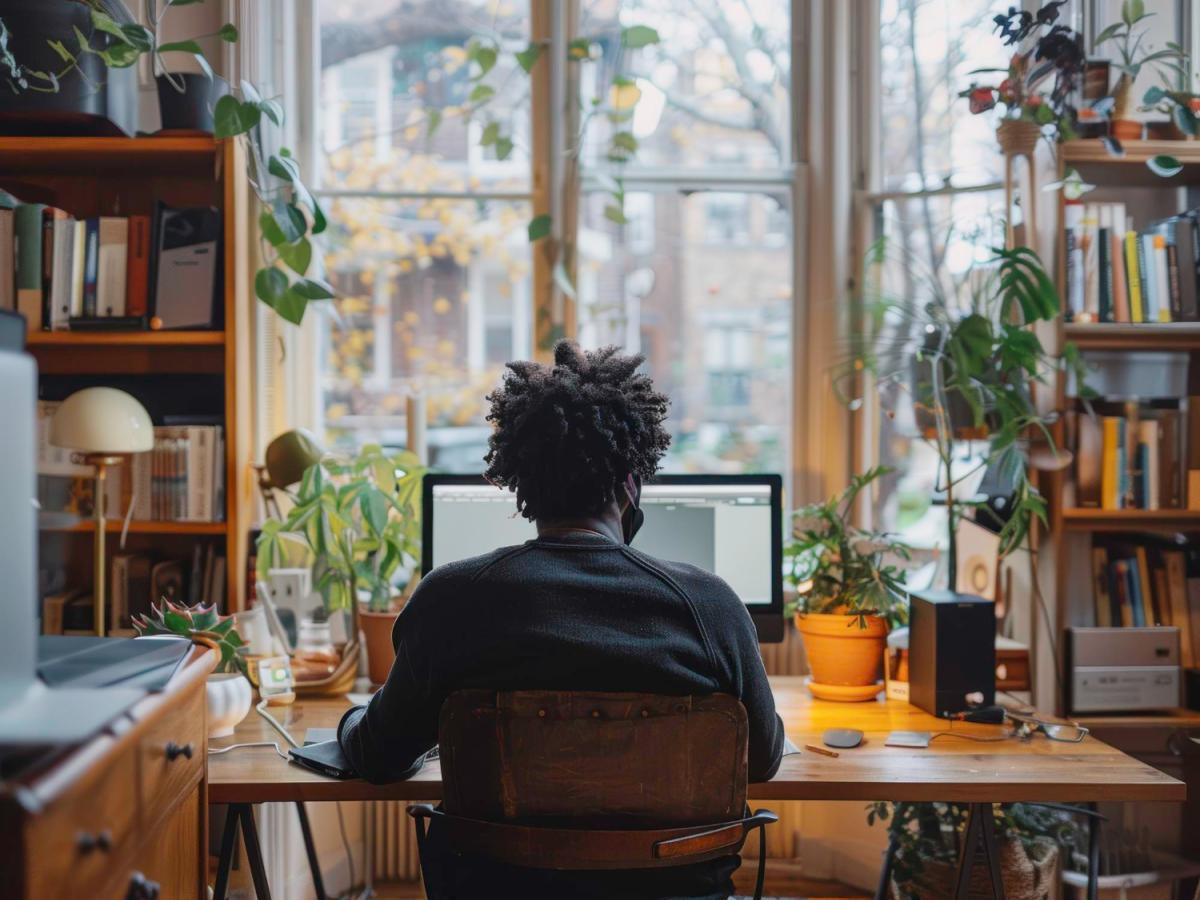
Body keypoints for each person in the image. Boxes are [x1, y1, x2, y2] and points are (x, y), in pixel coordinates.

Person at [338, 340, 784, 899]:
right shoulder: (711, 606)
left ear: (521, 485)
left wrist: (351, 721)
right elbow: (763, 761)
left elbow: (378, 757)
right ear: (631, 483)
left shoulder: (451, 599)